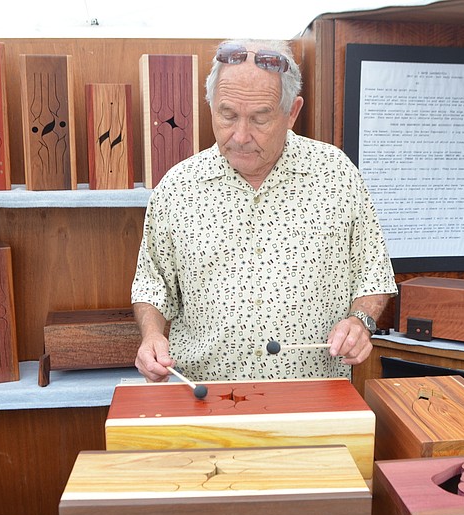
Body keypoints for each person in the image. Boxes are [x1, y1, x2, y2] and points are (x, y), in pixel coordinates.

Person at [131, 39, 396, 382]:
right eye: (227, 115)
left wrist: (361, 322)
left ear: (292, 113)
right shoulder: (178, 187)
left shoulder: (336, 175)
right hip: (204, 399)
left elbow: (373, 274)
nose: (240, 135)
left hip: (313, 400)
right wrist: (152, 336)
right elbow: (152, 286)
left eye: (260, 118)